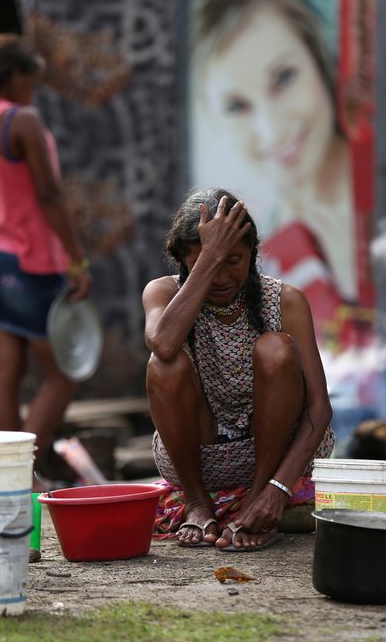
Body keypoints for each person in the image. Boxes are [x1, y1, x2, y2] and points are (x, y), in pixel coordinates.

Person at [143, 188, 335, 551]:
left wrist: (276, 491)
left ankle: (256, 497)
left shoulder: (286, 300)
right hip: (202, 459)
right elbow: (164, 344)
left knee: (276, 348)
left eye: (233, 260)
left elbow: (319, 409)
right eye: (206, 264)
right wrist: (210, 258)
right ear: (185, 260)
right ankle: (199, 504)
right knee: (162, 365)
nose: (220, 277)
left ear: (252, 255)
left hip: (277, 456)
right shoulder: (163, 292)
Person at [189, 0, 358, 340]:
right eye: (236, 106)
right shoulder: (263, 259)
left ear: (318, 55)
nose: (272, 130)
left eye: (283, 77)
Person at [0, 33, 92, 485]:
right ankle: (18, 472)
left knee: (6, 369)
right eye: (31, 80)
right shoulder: (21, 119)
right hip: (28, 259)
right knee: (62, 375)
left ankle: (8, 474)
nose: (34, 90)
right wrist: (77, 259)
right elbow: (48, 193)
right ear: (14, 77)